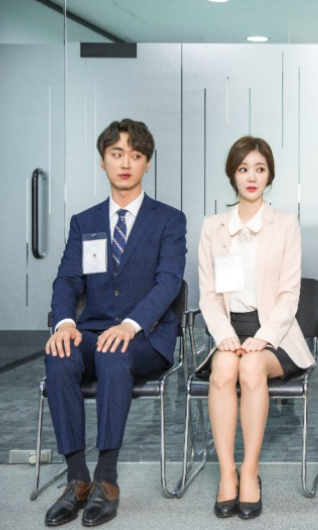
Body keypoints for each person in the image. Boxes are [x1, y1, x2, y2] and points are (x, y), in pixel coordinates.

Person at [43, 119, 187, 527]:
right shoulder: (84, 221)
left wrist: (131, 324)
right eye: (116, 154)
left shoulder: (169, 220)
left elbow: (169, 282)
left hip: (145, 338)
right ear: (103, 161)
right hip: (92, 331)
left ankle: (106, 478)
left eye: (135, 155)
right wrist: (65, 323)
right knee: (60, 356)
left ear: (147, 163)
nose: (125, 163)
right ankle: (77, 480)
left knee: (114, 353)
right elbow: (67, 280)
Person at [197, 136, 314, 520]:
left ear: (269, 176)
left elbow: (289, 295)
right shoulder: (213, 227)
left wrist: (262, 338)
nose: (251, 177)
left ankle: (249, 471)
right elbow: (209, 296)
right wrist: (225, 336)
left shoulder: (286, 224)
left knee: (250, 367)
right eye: (243, 168)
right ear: (232, 174)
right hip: (229, 329)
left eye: (259, 169)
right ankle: (227, 473)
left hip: (276, 333)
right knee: (223, 368)